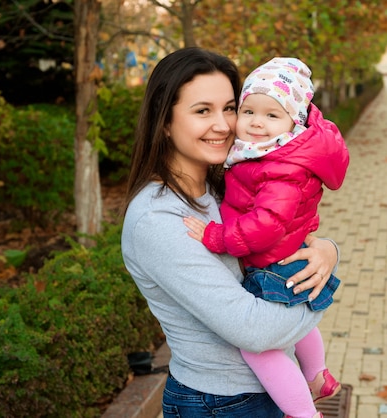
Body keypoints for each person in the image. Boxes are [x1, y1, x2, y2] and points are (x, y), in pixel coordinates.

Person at [121, 47, 341, 418]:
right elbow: (252, 331)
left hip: (265, 391)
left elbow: (281, 241)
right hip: (220, 403)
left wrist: (327, 252)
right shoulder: (157, 218)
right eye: (202, 111)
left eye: (229, 108)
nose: (223, 125)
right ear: (165, 122)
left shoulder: (222, 187)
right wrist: (320, 295)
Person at [183, 57, 349, 418]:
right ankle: (318, 375)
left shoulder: (279, 164)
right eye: (248, 111)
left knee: (260, 349)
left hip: (270, 262)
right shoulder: (265, 153)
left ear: (293, 123)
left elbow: (266, 224)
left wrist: (217, 237)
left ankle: (304, 413)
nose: (257, 122)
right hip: (284, 255)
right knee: (294, 322)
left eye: (272, 115)